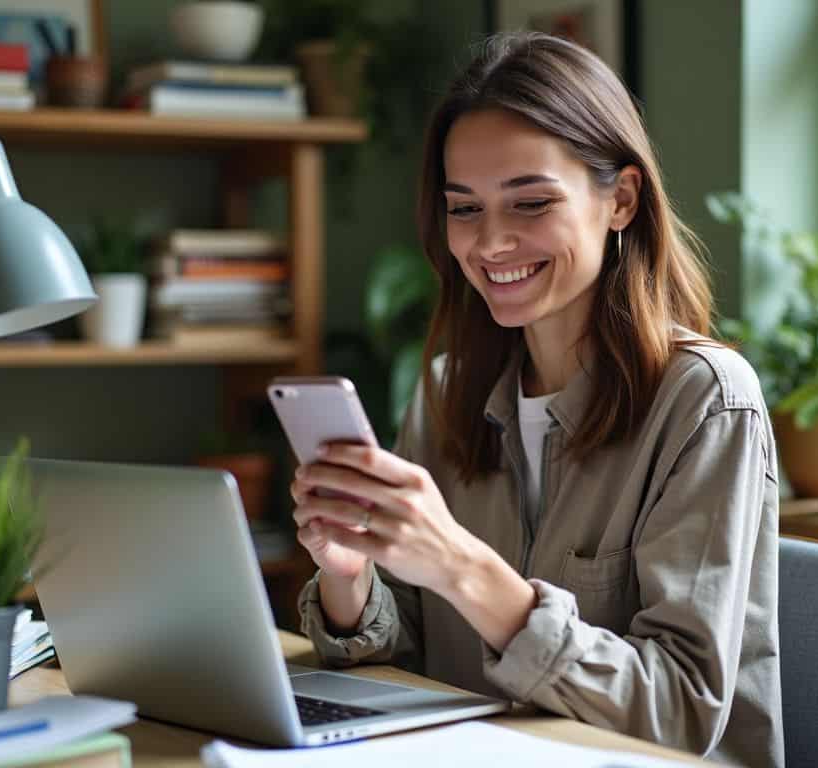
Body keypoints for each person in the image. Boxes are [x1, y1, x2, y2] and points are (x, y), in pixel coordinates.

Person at [291, 31, 782, 767]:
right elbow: (402, 652)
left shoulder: (705, 402)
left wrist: (463, 567)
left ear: (620, 199)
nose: (491, 244)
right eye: (465, 209)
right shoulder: (446, 391)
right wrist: (348, 574)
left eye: (529, 202)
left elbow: (680, 711)